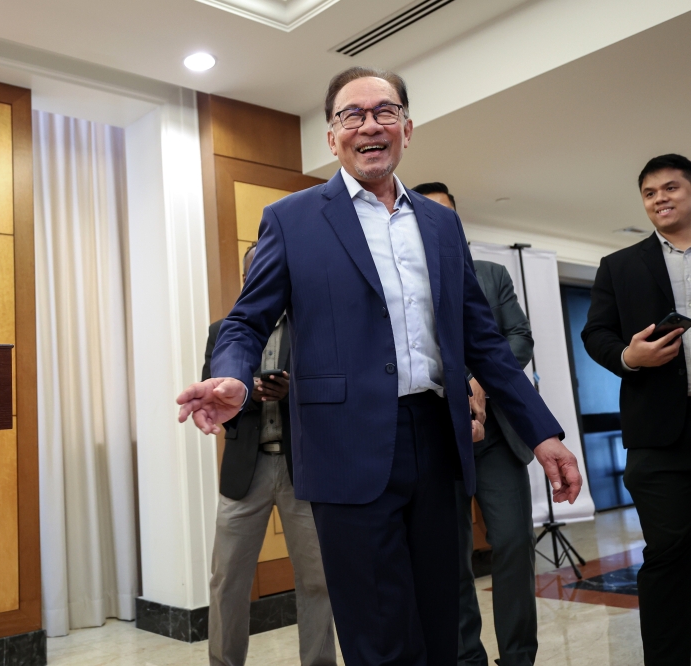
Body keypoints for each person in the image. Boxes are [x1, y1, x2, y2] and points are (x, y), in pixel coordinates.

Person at [176, 66, 582, 666]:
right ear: (332, 135)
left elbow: (482, 339)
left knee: (445, 624)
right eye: (352, 115)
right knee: (376, 635)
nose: (370, 124)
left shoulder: (442, 224)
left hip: (439, 442)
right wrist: (234, 376)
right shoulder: (292, 218)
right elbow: (245, 321)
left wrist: (542, 431)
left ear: (407, 128)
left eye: (384, 111)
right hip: (346, 449)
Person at [413, 181, 540, 666]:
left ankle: (518, 657)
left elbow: (519, 337)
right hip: (437, 438)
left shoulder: (490, 273)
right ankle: (467, 657)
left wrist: (481, 384)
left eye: (446, 214)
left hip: (498, 438)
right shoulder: (402, 279)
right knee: (451, 555)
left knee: (512, 542)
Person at [203, 243, 336, 666]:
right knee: (227, 581)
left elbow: (336, 393)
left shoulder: (315, 328)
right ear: (247, 280)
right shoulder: (223, 330)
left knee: (318, 581)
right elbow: (213, 395)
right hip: (246, 471)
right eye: (254, 272)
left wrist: (291, 392)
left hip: (306, 471)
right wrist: (253, 395)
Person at [582, 153, 691, 666]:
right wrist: (630, 356)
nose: (660, 199)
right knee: (668, 555)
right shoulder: (620, 266)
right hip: (658, 437)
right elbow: (595, 334)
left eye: (670, 188)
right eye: (650, 193)